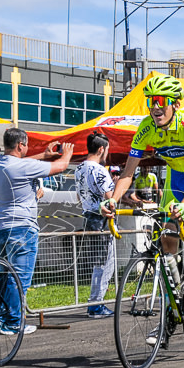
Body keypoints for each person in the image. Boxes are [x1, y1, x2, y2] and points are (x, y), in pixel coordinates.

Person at [101, 74, 184, 294]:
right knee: (167, 238)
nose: (156, 106)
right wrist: (113, 200)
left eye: (161, 101)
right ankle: (173, 295)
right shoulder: (146, 128)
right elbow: (128, 173)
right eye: (151, 101)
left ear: (175, 104)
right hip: (175, 178)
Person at [0, 128, 74, 334]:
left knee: (3, 275)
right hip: (21, 228)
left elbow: (20, 163)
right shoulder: (22, 167)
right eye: (25, 146)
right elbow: (60, 167)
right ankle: (13, 322)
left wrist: (44, 155)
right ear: (20, 146)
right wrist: (68, 152)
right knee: (19, 278)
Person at [75, 132, 116, 318]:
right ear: (101, 149)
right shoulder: (99, 170)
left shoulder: (79, 168)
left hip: (87, 215)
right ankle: (96, 305)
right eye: (107, 150)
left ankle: (95, 303)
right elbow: (110, 197)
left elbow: (78, 195)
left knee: (97, 263)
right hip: (101, 217)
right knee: (104, 263)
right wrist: (115, 186)